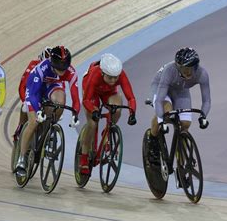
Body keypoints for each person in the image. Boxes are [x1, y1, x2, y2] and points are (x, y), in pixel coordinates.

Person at [146, 47, 210, 187]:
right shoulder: (170, 70)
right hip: (161, 87)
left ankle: (180, 167)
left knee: (185, 124)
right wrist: (162, 120)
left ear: (196, 67)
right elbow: (159, 100)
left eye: (189, 68)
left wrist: (203, 116)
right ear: (177, 66)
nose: (186, 71)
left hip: (180, 90)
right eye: (182, 68)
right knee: (167, 112)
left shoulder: (202, 74)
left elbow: (206, 101)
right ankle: (152, 138)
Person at [15, 46, 80, 176]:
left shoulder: (71, 72)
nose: (61, 70)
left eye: (64, 67)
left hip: (52, 87)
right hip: (35, 88)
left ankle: (47, 129)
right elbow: (32, 93)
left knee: (60, 101)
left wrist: (75, 114)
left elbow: (75, 97)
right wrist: (37, 110)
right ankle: (21, 159)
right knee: (33, 122)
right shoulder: (41, 68)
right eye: (58, 67)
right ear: (52, 63)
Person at [79, 53, 137, 174]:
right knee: (92, 123)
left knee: (117, 109)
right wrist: (94, 111)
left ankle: (107, 133)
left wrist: (132, 113)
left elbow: (131, 98)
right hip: (92, 92)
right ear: (102, 73)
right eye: (110, 77)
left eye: (115, 78)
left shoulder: (120, 74)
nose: (113, 80)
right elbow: (86, 100)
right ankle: (83, 157)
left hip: (108, 92)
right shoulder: (95, 74)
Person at [12, 46, 51, 143]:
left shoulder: (54, 69)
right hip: (33, 90)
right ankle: (20, 126)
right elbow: (22, 86)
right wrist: (25, 101)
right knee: (25, 107)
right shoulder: (33, 65)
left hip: (45, 93)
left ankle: (47, 133)